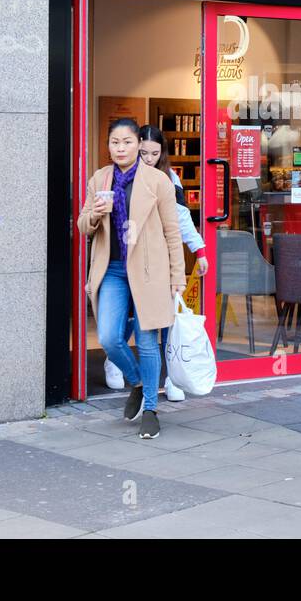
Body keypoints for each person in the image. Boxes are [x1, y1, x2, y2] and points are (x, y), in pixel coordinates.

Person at [78, 118, 185, 440]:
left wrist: (177, 275)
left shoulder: (158, 181)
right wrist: (96, 212)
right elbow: (83, 226)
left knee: (149, 342)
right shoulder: (100, 179)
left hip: (149, 271)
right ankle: (138, 383)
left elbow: (172, 231)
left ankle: (150, 409)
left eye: (126, 142)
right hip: (112, 270)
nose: (120, 148)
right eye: (114, 142)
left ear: (139, 144)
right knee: (110, 337)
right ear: (108, 145)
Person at [102, 125, 208, 398]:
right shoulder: (119, 177)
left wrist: (198, 250)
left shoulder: (169, 179)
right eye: (145, 152)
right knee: (124, 320)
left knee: (159, 322)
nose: (148, 158)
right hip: (128, 261)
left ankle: (171, 380)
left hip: (159, 261)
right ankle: (117, 361)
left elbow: (180, 221)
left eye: (155, 153)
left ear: (163, 154)